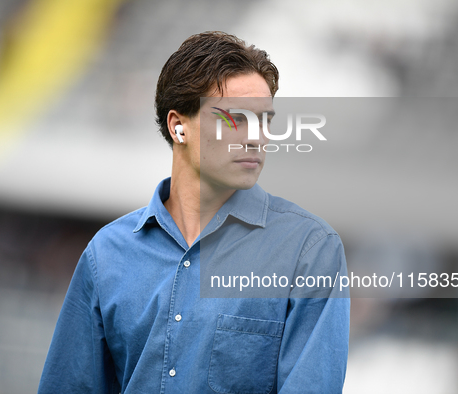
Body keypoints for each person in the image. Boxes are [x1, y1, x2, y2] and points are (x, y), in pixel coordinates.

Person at [38, 31, 349, 393]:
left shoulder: (309, 251)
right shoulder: (106, 254)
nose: (257, 137)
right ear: (178, 126)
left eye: (265, 120)